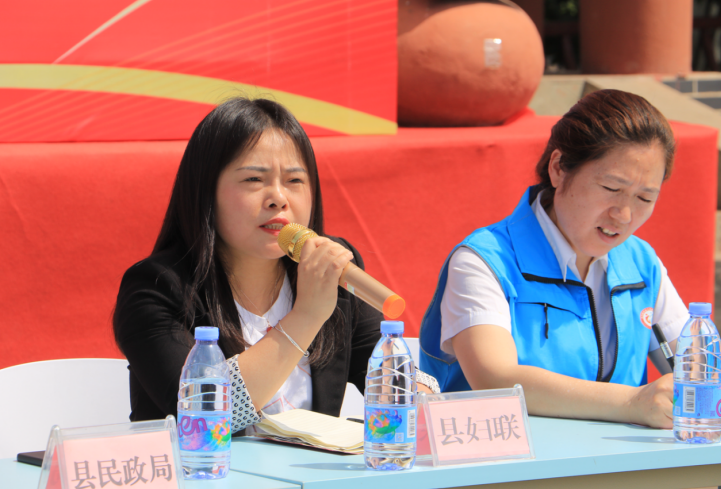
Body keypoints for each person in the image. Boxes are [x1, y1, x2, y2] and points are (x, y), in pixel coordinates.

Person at [114, 97, 437, 433]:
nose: (278, 198)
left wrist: (419, 393)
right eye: (254, 180)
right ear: (205, 192)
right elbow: (203, 417)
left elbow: (385, 375)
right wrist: (307, 315)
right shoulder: (155, 287)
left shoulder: (327, 267)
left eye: (295, 181)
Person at [419, 89, 688, 429]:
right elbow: (495, 379)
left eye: (645, 198)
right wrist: (633, 402)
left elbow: (700, 369)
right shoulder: (484, 261)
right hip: (505, 459)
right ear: (559, 168)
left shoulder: (642, 263)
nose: (624, 214)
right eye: (611, 189)